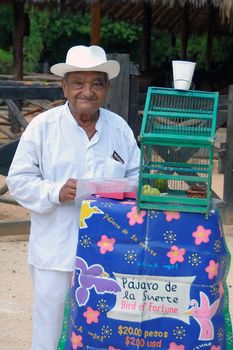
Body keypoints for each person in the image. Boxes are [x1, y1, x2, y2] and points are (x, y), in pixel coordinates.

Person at [6, 45, 140, 350]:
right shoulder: (43, 128)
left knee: (102, 331)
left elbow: (137, 178)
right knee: (49, 332)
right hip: (56, 253)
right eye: (78, 83)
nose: (87, 92)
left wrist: (125, 190)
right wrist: (55, 191)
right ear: (64, 86)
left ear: (107, 88)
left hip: (108, 255)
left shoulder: (118, 128)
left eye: (96, 83)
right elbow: (18, 181)